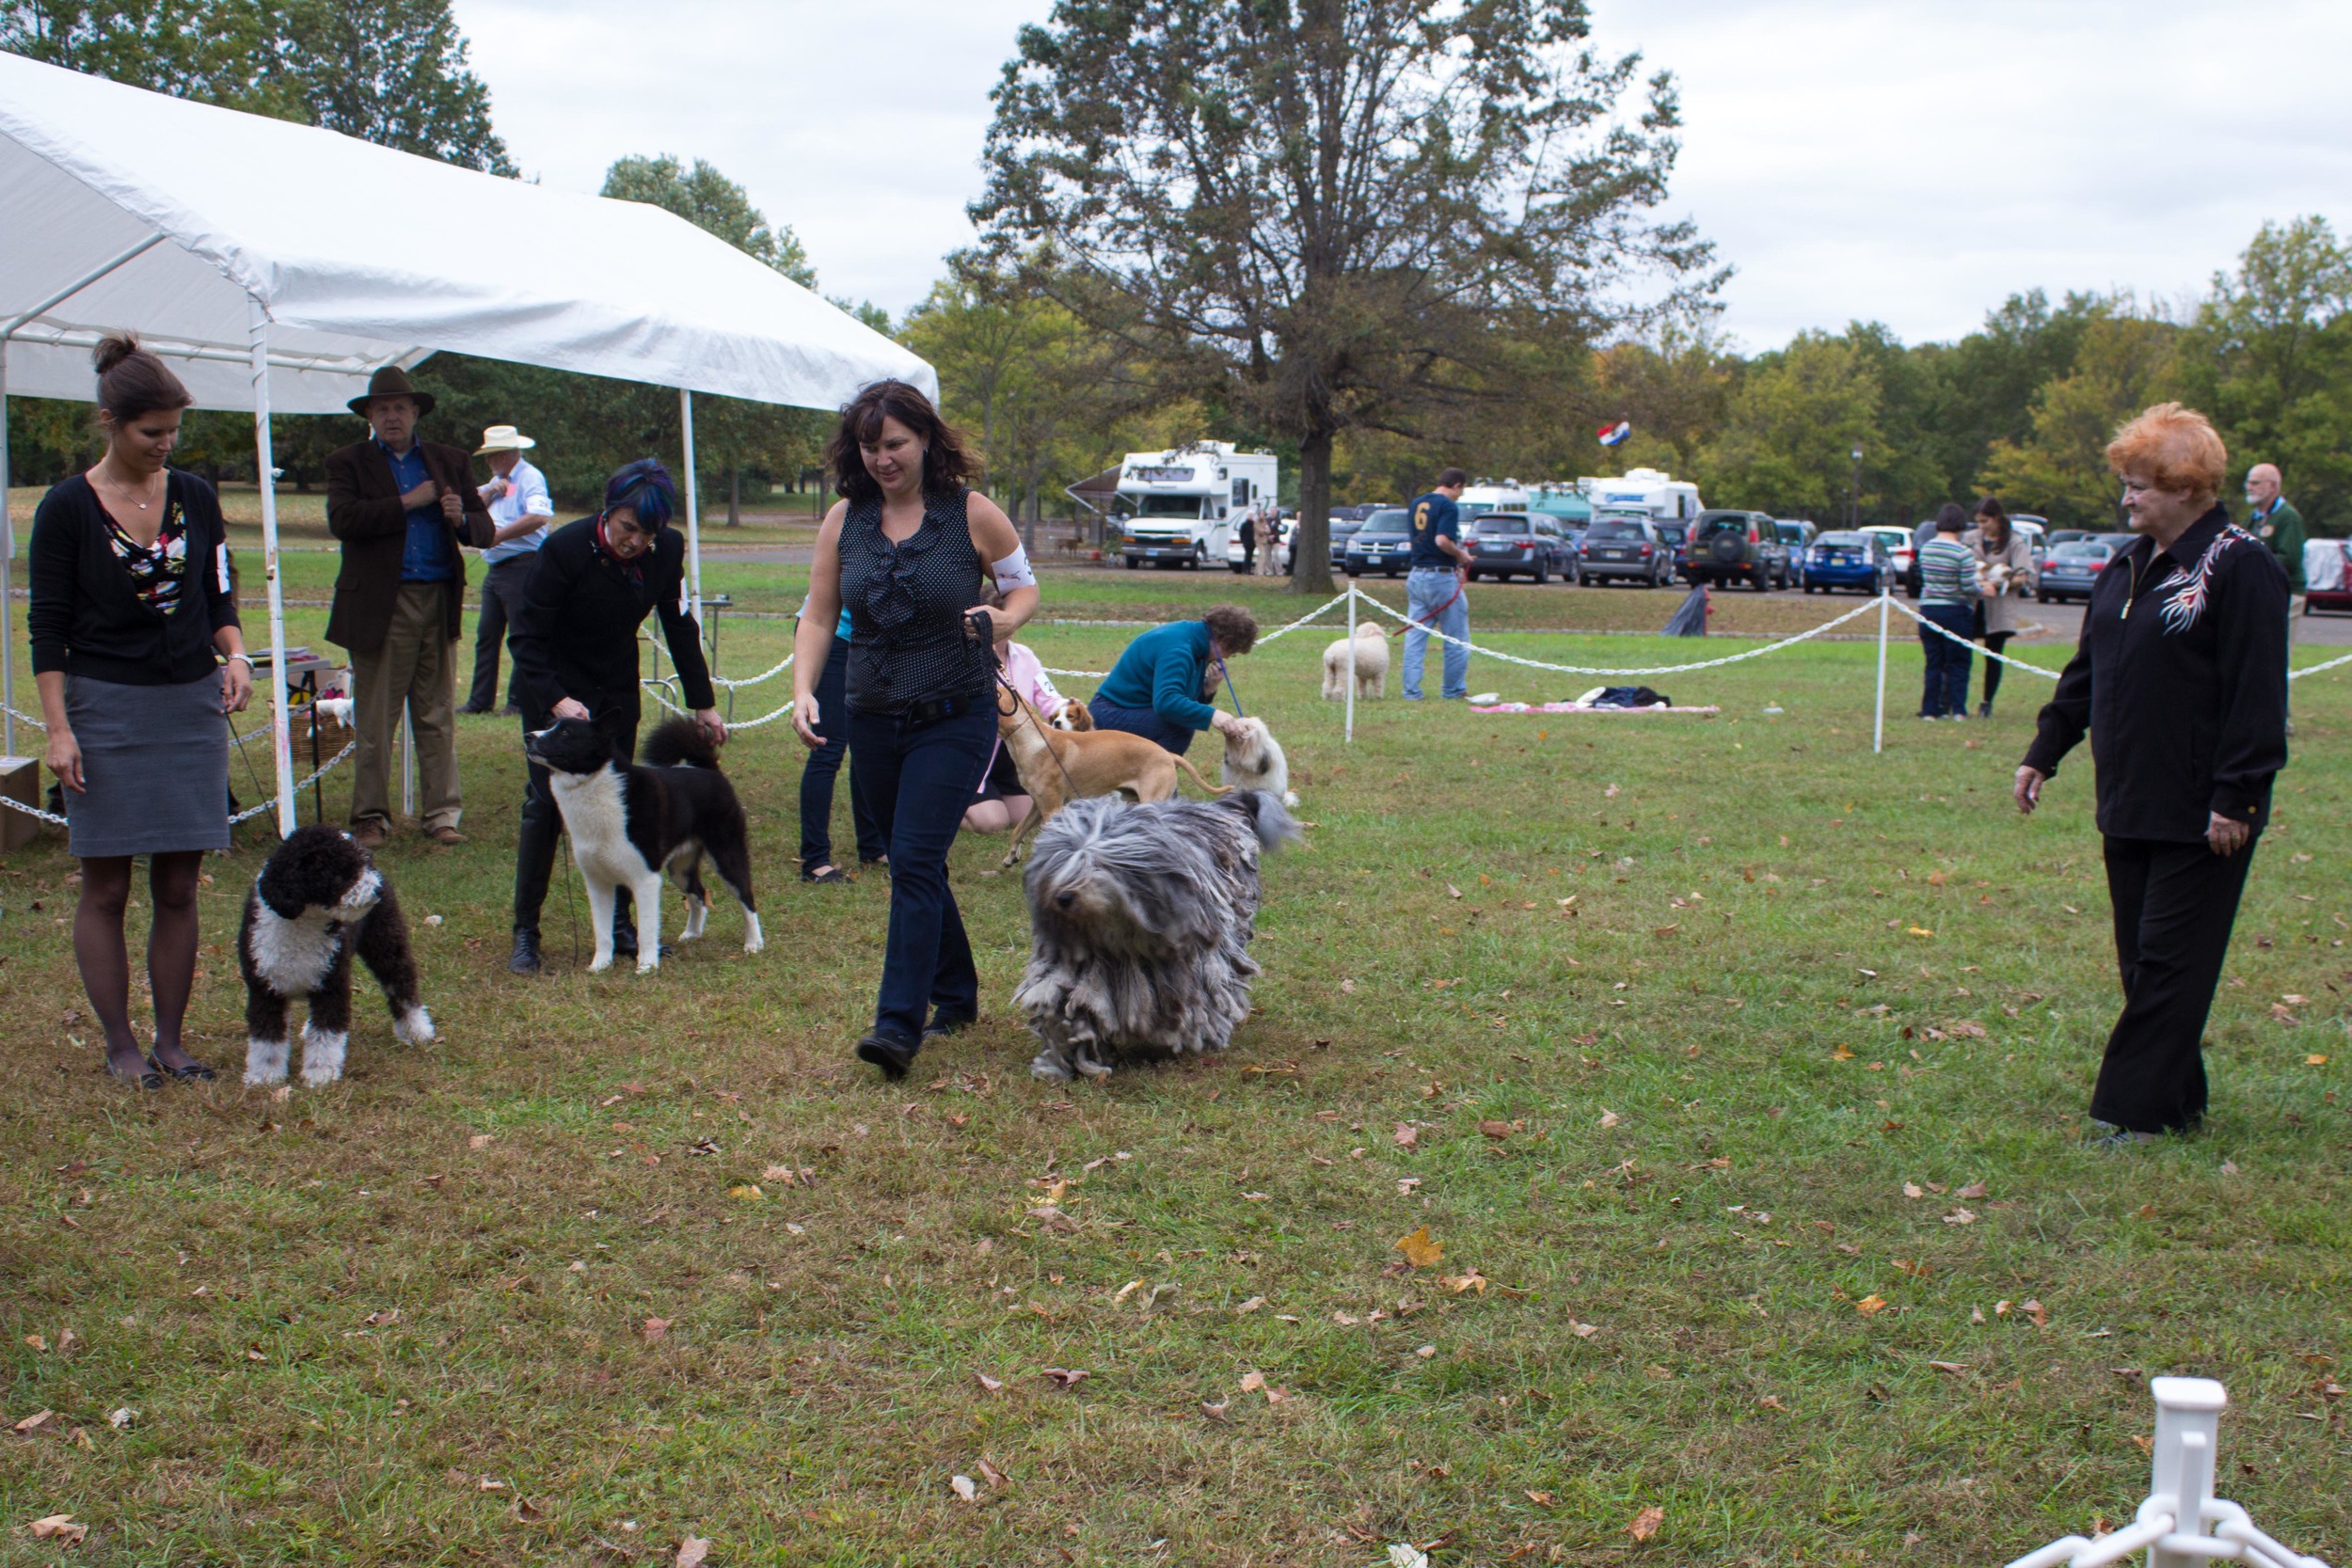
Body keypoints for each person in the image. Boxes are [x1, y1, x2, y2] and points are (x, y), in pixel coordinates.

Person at [2015, 403, 2288, 1148]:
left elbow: (2258, 692)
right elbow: (2090, 669)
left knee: (2172, 962)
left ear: (2189, 488)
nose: (2127, 498)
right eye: (2127, 484)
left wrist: (2238, 795)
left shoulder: (2240, 565)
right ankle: (2178, 1100)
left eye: (2140, 485)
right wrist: (2047, 746)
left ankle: (2130, 1113)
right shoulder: (2128, 564)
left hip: (2205, 810)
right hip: (2128, 797)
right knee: (2144, 961)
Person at [789, 380, 1038, 1080]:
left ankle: (898, 1025)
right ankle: (957, 992)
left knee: (915, 859)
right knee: (912, 859)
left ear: (927, 438)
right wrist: (804, 688)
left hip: (955, 712)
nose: (882, 459)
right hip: (870, 713)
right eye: (869, 446)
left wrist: (1005, 618)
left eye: (894, 443)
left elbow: (1024, 587)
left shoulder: (972, 513)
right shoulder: (845, 519)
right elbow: (816, 613)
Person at [27, 334, 252, 1088]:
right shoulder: (66, 508)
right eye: (150, 431)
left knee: (181, 884)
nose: (165, 445)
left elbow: (219, 591)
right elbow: (48, 628)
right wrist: (58, 728)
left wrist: (238, 653)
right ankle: (121, 1043)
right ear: (110, 422)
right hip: (103, 707)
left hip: (187, 704)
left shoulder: (195, 496)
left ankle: (173, 1040)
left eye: (173, 431)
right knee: (108, 885)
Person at [504, 460, 726, 974]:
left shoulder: (666, 550)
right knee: (544, 806)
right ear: (608, 513)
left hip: (615, 692)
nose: (635, 542)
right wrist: (557, 700)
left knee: (624, 808)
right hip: (556, 685)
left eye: (647, 534)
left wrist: (703, 700)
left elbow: (677, 623)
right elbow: (526, 639)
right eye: (628, 528)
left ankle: (624, 929)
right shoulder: (563, 550)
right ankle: (526, 932)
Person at [325, 367, 494, 848]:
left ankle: (441, 815)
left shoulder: (449, 460)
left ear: (415, 412)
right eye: (382, 408)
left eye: (400, 407)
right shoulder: (348, 462)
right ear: (370, 416)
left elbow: (484, 529)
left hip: (438, 599)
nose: (392, 416)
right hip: (383, 604)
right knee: (376, 715)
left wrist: (463, 518)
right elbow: (343, 520)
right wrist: (407, 501)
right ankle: (370, 817)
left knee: (437, 713)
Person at [459, 424, 555, 716]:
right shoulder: (498, 480)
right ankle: (480, 701)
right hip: (496, 568)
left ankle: (517, 702)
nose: (488, 461)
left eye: (491, 456)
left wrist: (498, 537)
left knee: (520, 635)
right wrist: (490, 490)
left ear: (505, 455)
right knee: (487, 635)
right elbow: (472, 505)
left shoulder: (530, 477)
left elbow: (539, 516)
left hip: (522, 565)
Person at [964, 594, 1077, 835]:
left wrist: (1070, 709)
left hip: (1014, 754)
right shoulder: (968, 657)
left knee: (1025, 815)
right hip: (976, 755)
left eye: (1006, 618)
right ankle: (947, 803)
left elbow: (1050, 699)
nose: (1005, 625)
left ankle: (992, 795)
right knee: (992, 823)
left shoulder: (1025, 656)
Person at [796, 591, 887, 882]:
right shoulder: (846, 542)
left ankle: (873, 846)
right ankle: (815, 860)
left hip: (874, 641)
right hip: (833, 635)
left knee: (870, 745)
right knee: (827, 746)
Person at [1087, 604, 1258, 754]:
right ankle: (1156, 786)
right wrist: (1213, 715)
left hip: (1131, 709)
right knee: (1178, 727)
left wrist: (1208, 688)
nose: (1227, 657)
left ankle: (1149, 783)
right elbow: (1167, 703)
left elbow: (1182, 699)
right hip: (1107, 713)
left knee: (1181, 721)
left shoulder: (1196, 643)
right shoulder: (1179, 649)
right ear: (1224, 641)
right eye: (1231, 652)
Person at [1402, 467, 1471, 700]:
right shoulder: (1448, 506)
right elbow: (1441, 540)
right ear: (1457, 485)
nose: (1459, 496)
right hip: (1440, 578)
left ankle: (1411, 692)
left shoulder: (1417, 503)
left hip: (1416, 576)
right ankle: (1453, 691)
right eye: (1461, 491)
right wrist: (1461, 555)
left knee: (1415, 637)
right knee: (1456, 638)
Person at [2245, 462, 2305, 731]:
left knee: (2279, 653)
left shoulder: (2288, 517)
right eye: (2249, 481)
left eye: (2256, 482)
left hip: (2287, 593)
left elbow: (2289, 558)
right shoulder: (2254, 517)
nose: (2250, 486)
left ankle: (2282, 718)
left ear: (2273, 486)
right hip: (2262, 593)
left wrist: (2253, 558)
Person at [1965, 497, 2037, 719]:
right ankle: (1954, 700)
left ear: (1997, 518)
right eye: (1978, 521)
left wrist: (2000, 580)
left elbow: (2025, 575)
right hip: (1972, 605)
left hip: (1998, 608)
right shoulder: (1970, 538)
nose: (1982, 526)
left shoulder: (2014, 541)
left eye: (1985, 521)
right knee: (1961, 651)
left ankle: (1987, 702)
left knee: (1993, 655)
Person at [1914, 504, 1979, 720]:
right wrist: (1984, 589)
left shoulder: (1926, 549)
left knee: (1934, 663)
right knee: (1958, 662)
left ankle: (1930, 709)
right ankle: (1958, 709)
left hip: (1929, 610)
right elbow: (1968, 586)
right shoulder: (1963, 552)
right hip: (1956, 611)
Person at [1256, 506, 1282, 577]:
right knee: (1267, 556)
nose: (1273, 512)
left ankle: (1279, 571)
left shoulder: (1278, 520)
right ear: (1270, 512)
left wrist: (1274, 536)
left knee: (1276, 555)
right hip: (1267, 540)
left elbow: (1280, 530)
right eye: (1272, 511)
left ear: (1276, 512)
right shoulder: (1266, 520)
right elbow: (1264, 529)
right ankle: (1269, 571)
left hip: (1276, 540)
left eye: (1274, 511)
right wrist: (1268, 536)